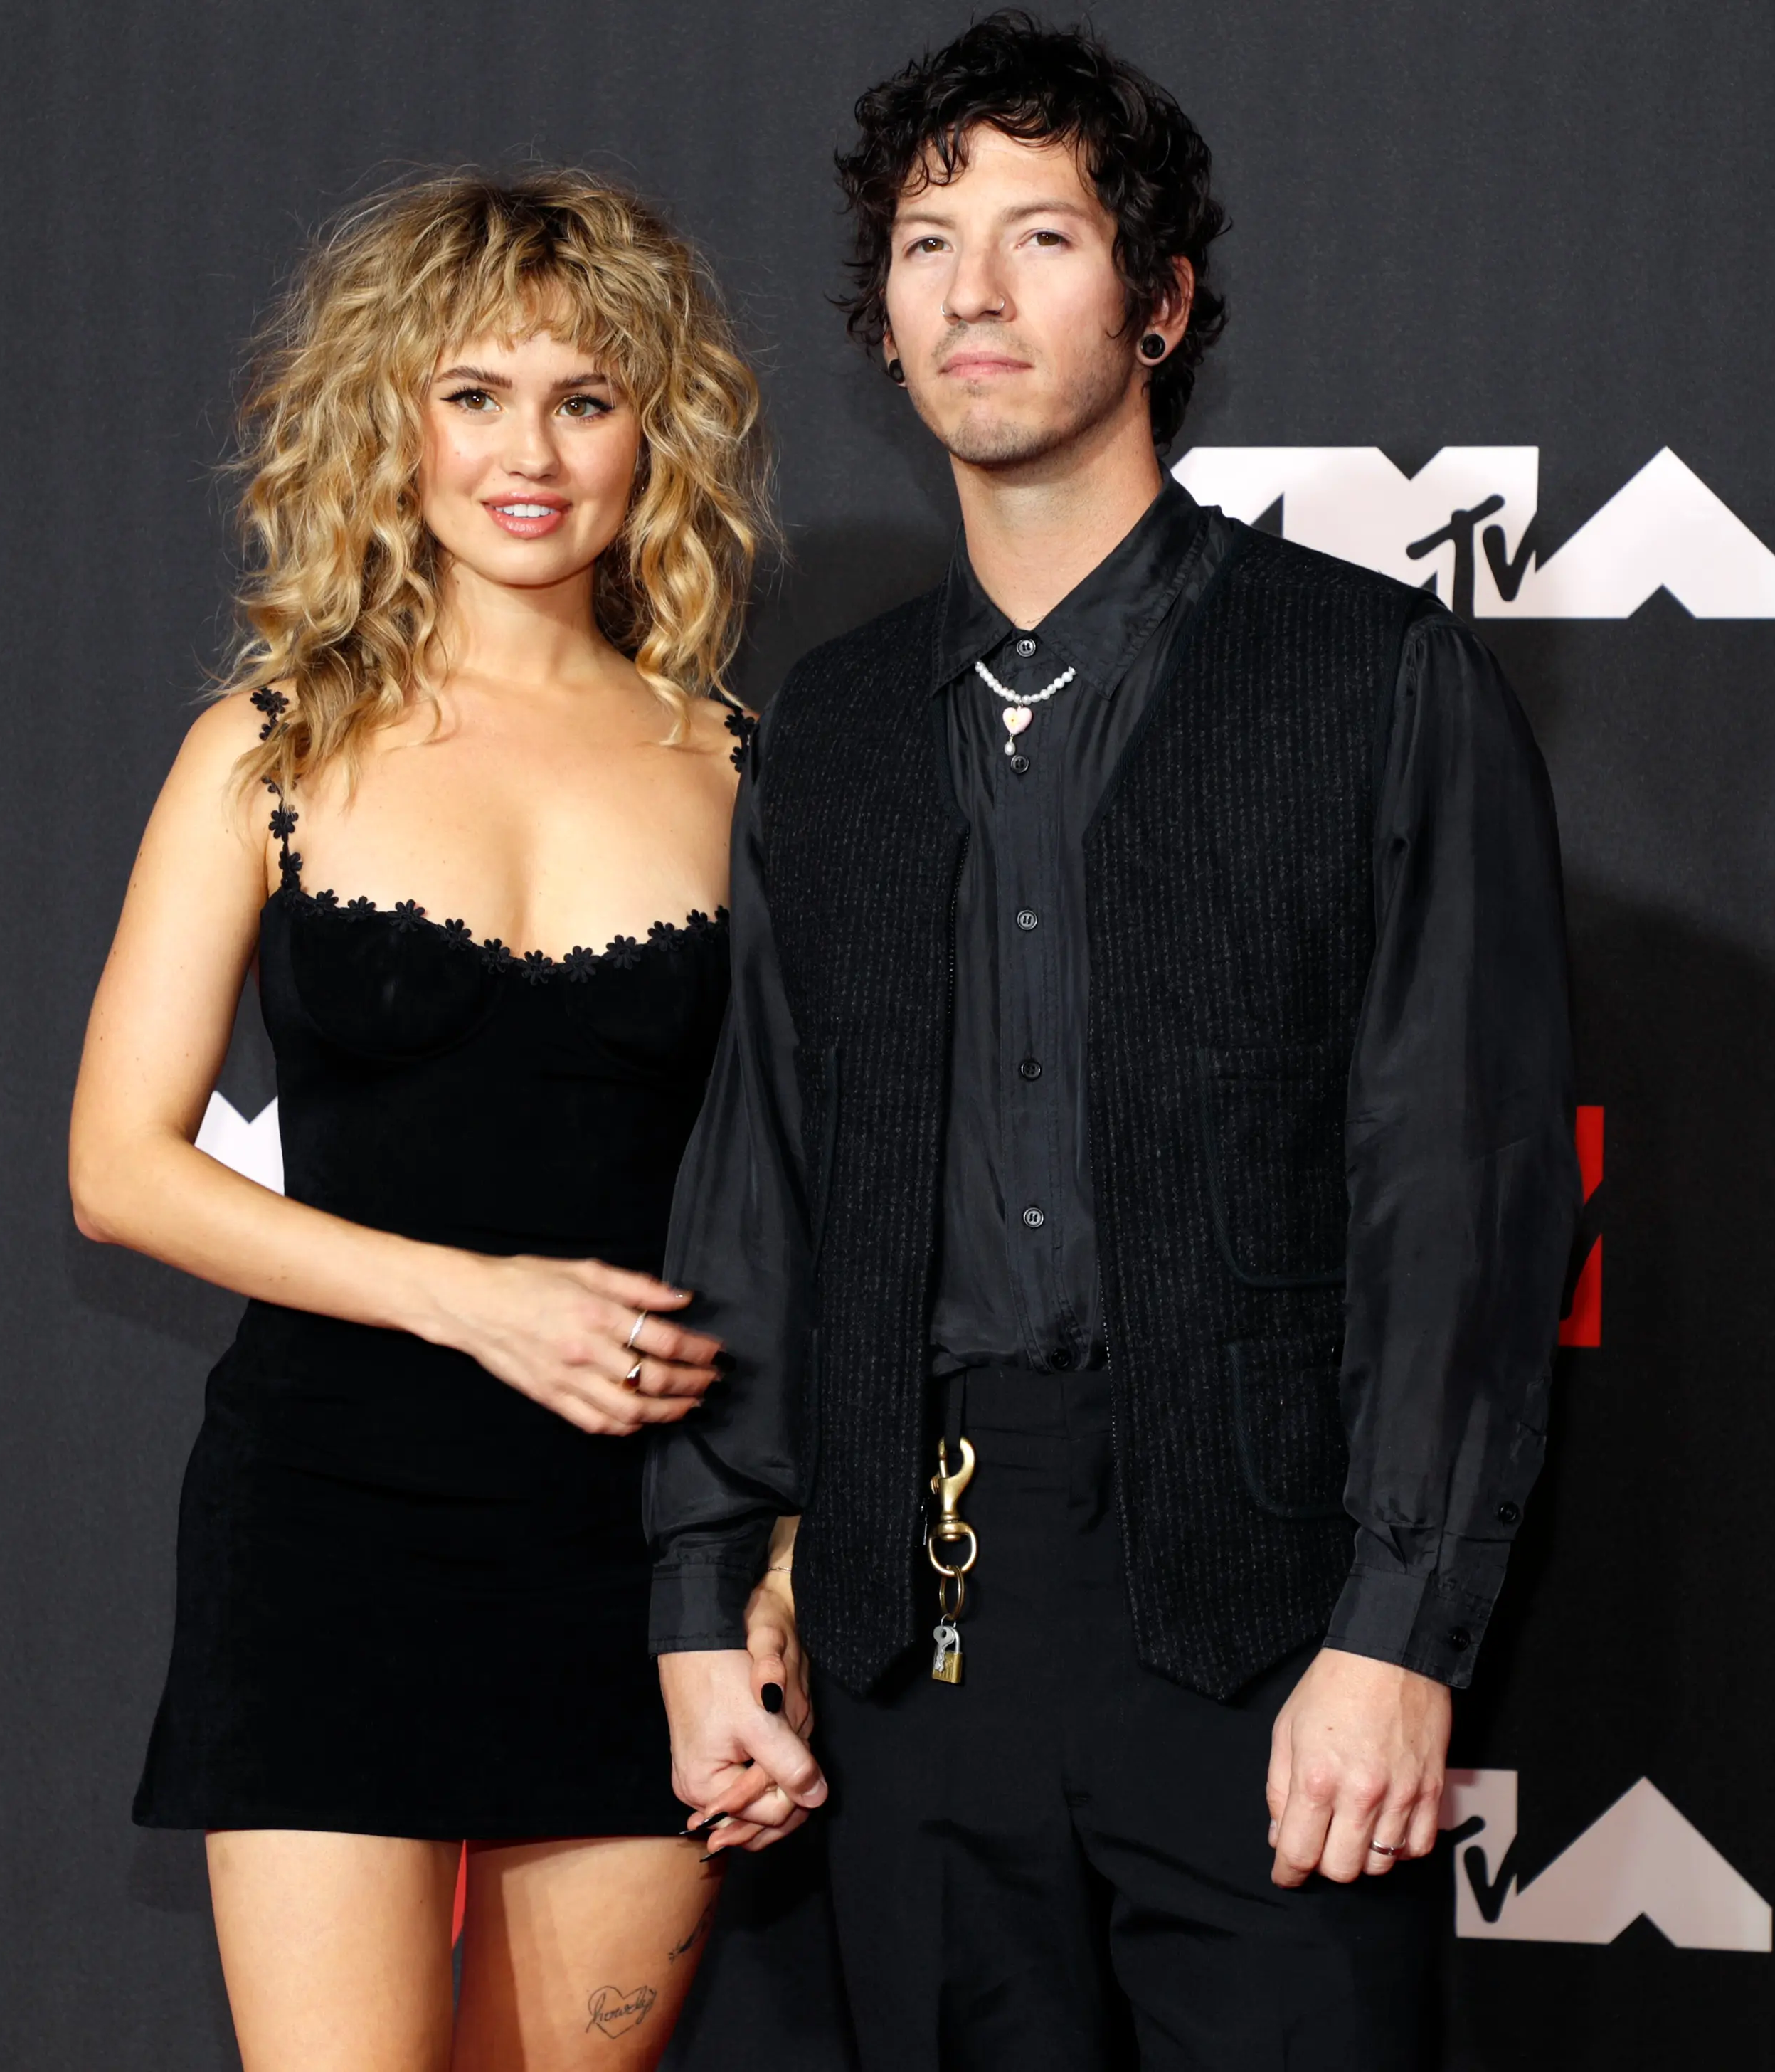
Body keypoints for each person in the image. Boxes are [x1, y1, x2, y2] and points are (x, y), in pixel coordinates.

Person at [649, 16, 1579, 2068]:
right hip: (910, 1627)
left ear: (1159, 302)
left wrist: (1398, 1638)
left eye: (1041, 236)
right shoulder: (833, 725)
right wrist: (707, 1592)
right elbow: (764, 1176)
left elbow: (1463, 1191)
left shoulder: (1372, 677)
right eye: (926, 243)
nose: (971, 291)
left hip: (1267, 1615)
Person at [68, 170, 772, 2071]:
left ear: (655, 435)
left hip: (648, 1549)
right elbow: (120, 1169)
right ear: (392, 420)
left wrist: (771, 1569)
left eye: (583, 398)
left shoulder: (743, 774)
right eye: (474, 395)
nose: (527, 454)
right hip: (330, 1527)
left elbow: (816, 1210)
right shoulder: (267, 750)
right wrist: (477, 1301)